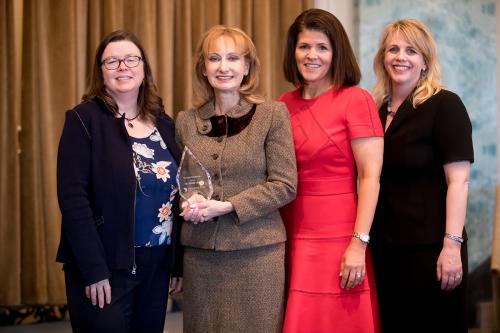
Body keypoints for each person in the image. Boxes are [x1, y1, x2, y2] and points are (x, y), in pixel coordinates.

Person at [56, 30, 183, 333]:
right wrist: (93, 269)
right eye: (111, 61)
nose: (122, 67)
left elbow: (179, 193)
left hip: (156, 264)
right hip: (105, 266)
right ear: (100, 73)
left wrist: (177, 263)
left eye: (130, 59)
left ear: (144, 68)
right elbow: (73, 199)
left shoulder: (164, 124)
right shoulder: (84, 120)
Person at [175, 25, 297, 333]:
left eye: (233, 58)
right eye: (214, 58)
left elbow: (285, 184)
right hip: (201, 257)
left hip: (257, 254)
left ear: (247, 66)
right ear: (203, 67)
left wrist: (227, 206)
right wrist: (188, 204)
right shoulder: (185, 121)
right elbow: (181, 182)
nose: (223, 66)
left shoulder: (272, 114)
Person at [279, 8, 384, 333]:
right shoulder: (282, 104)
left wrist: (358, 242)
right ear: (293, 51)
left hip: (341, 234)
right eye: (304, 46)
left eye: (322, 47)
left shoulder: (357, 100)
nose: (312, 55)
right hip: (290, 231)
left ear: (336, 53)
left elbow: (370, 177)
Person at [370, 19, 474, 332]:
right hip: (385, 250)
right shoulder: (374, 109)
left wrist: (451, 247)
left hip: (430, 251)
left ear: (425, 61)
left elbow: (459, 182)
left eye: (411, 51)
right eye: (393, 49)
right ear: (383, 57)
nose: (400, 57)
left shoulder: (445, 104)